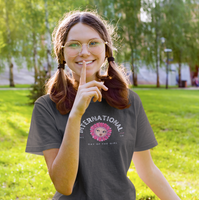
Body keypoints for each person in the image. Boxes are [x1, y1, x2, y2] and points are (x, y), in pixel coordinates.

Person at [26, 11, 181, 200]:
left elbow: (147, 170)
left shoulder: (128, 100)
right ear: (62, 53)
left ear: (106, 50)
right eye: (74, 44)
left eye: (93, 43)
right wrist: (76, 114)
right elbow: (63, 185)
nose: (84, 51)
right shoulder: (46, 107)